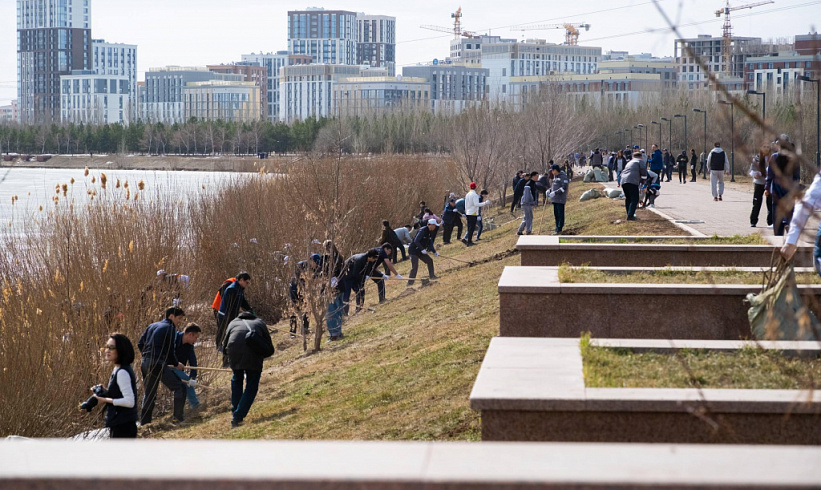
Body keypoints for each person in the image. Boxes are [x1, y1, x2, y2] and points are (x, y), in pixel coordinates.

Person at [223, 310, 273, 428]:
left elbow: (224, 346)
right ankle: (238, 416)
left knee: (237, 379)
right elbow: (269, 346)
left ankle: (235, 410)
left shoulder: (233, 323)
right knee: (252, 384)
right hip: (253, 354)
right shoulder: (260, 323)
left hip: (234, 352)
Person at [137, 307, 187, 425]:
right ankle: (177, 419)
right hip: (156, 363)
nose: (179, 321)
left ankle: (145, 423)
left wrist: (148, 355)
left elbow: (140, 344)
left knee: (150, 393)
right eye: (179, 318)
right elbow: (170, 350)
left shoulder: (152, 326)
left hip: (145, 362)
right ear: (171, 316)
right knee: (180, 387)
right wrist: (176, 364)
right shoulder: (170, 328)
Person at [85, 333, 139, 438]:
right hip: (120, 424)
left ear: (121, 350)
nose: (107, 350)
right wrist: (104, 392)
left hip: (124, 426)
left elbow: (130, 401)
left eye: (112, 347)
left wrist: (104, 400)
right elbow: (119, 395)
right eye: (107, 347)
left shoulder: (122, 372)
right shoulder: (118, 369)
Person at [767, 135, 800, 236]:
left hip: (776, 189)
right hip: (788, 189)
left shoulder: (774, 157)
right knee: (789, 212)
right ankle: (788, 227)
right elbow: (796, 177)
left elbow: (770, 175)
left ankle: (778, 235)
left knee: (777, 213)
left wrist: (767, 188)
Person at [216, 272, 252, 353]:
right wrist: (239, 316)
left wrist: (249, 310)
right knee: (222, 331)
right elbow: (230, 306)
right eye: (247, 282)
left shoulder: (240, 289)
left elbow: (242, 301)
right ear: (241, 280)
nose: (247, 284)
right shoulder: (232, 289)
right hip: (224, 315)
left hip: (232, 315)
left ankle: (232, 347)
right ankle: (219, 346)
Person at [172, 323, 201, 411]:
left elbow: (193, 361)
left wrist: (193, 377)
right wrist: (176, 363)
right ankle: (196, 406)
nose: (196, 340)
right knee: (186, 379)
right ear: (190, 334)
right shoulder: (174, 338)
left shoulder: (189, 345)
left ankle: (194, 407)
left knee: (188, 381)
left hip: (178, 369)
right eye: (196, 337)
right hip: (167, 365)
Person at [408, 219, 439, 286]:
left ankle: (432, 276)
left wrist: (434, 252)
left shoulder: (430, 232)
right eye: (434, 225)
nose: (435, 227)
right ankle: (410, 283)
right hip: (413, 250)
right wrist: (422, 249)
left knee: (429, 261)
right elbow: (416, 241)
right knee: (415, 266)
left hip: (420, 251)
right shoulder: (422, 230)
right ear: (430, 225)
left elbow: (430, 242)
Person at [620, 151, 647, 221]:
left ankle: (629, 214)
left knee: (628, 198)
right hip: (632, 181)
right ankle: (630, 216)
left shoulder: (629, 162)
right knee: (635, 199)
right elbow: (643, 171)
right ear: (640, 156)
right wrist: (644, 180)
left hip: (623, 181)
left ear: (633, 157)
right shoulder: (640, 161)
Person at [750, 147, 773, 228]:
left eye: (767, 147)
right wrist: (754, 175)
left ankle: (771, 222)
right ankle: (753, 221)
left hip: (769, 183)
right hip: (759, 182)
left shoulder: (773, 158)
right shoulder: (757, 158)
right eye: (764, 147)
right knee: (757, 202)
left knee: (770, 203)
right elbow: (752, 170)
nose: (766, 149)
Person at [548, 164, 568, 235]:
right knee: (556, 214)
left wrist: (555, 193)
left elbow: (564, 187)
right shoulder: (555, 177)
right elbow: (554, 186)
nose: (552, 172)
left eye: (552, 170)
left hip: (560, 199)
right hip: (554, 199)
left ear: (555, 170)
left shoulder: (563, 176)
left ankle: (559, 228)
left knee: (560, 213)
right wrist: (550, 190)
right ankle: (556, 227)